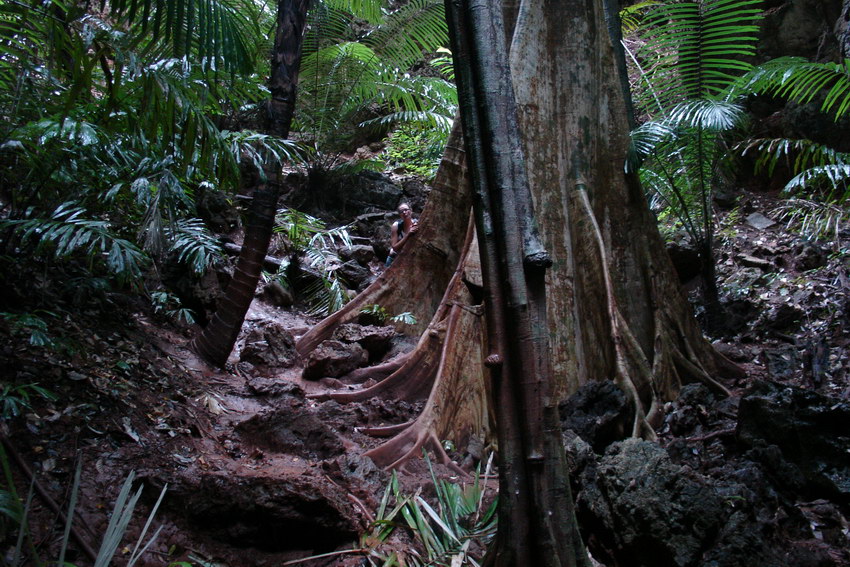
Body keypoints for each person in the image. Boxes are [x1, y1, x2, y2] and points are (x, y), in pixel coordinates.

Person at [385, 202, 419, 266]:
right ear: (400, 215)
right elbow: (394, 247)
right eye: (401, 211)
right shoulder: (396, 226)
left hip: (409, 258)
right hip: (394, 258)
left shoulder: (417, 224)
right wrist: (407, 235)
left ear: (411, 210)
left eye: (406, 210)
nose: (404, 212)